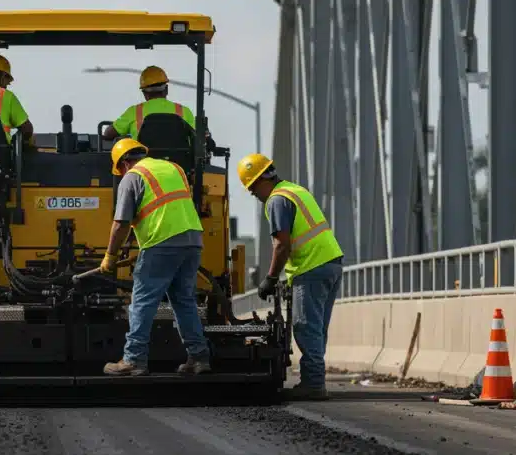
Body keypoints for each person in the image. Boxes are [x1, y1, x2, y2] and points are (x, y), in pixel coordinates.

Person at [99, 138, 212, 376]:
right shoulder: (174, 168)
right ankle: (199, 358)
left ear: (124, 163)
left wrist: (110, 256)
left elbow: (120, 224)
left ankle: (133, 360)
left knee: (143, 301)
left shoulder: (132, 176)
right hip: (192, 240)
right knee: (184, 301)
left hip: (162, 242)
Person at [237, 153, 344, 401]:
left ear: (260, 181)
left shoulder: (277, 201)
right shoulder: (295, 190)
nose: (255, 196)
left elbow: (282, 245)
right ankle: (314, 379)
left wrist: (271, 278)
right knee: (317, 330)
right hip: (331, 264)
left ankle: (314, 384)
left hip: (311, 268)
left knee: (305, 327)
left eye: (253, 190)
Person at [101, 65, 196, 141]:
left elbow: (108, 134)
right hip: (179, 164)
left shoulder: (134, 112)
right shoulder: (184, 111)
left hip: (143, 164)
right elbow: (198, 137)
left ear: (145, 94)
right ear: (166, 90)